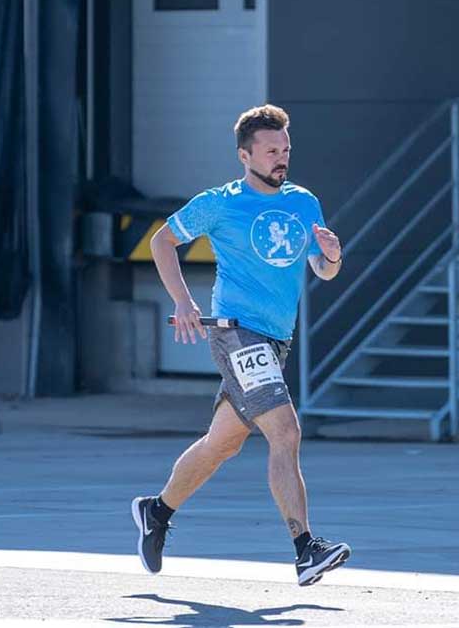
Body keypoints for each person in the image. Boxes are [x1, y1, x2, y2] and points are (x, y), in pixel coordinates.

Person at [131, 104, 350, 586]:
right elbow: (163, 242)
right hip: (235, 331)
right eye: (271, 150)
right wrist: (184, 302)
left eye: (286, 149)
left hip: (277, 339)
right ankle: (304, 547)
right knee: (286, 433)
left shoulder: (303, 202)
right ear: (244, 155)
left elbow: (322, 270)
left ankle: (157, 510)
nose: (281, 158)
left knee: (222, 444)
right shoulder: (221, 202)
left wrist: (332, 257)